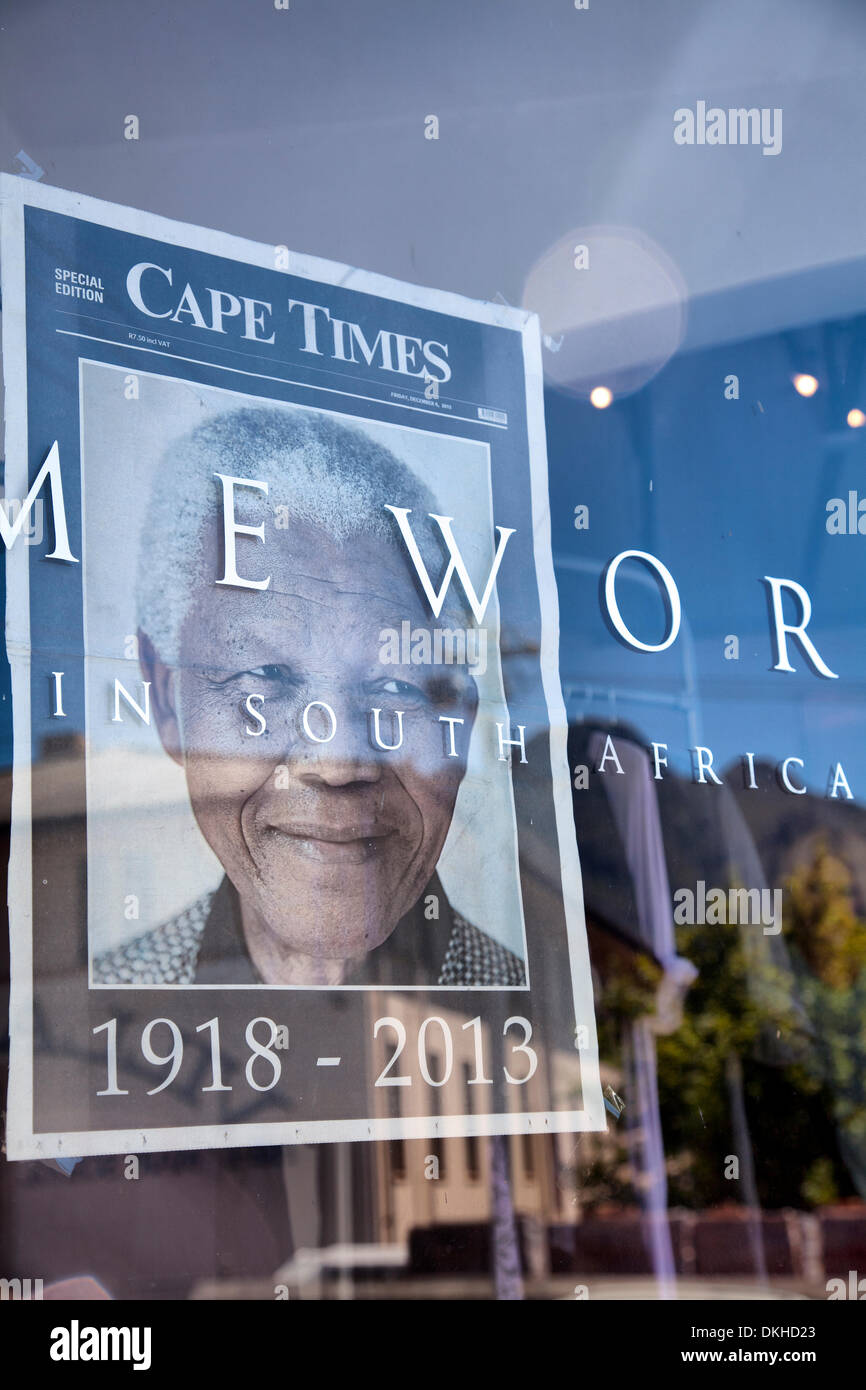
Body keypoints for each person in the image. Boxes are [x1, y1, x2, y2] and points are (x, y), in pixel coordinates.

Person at [94, 405, 525, 988]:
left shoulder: (557, 1034)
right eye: (268, 675)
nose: (340, 761)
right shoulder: (100, 1011)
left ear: (461, 722)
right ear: (167, 700)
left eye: (397, 686)